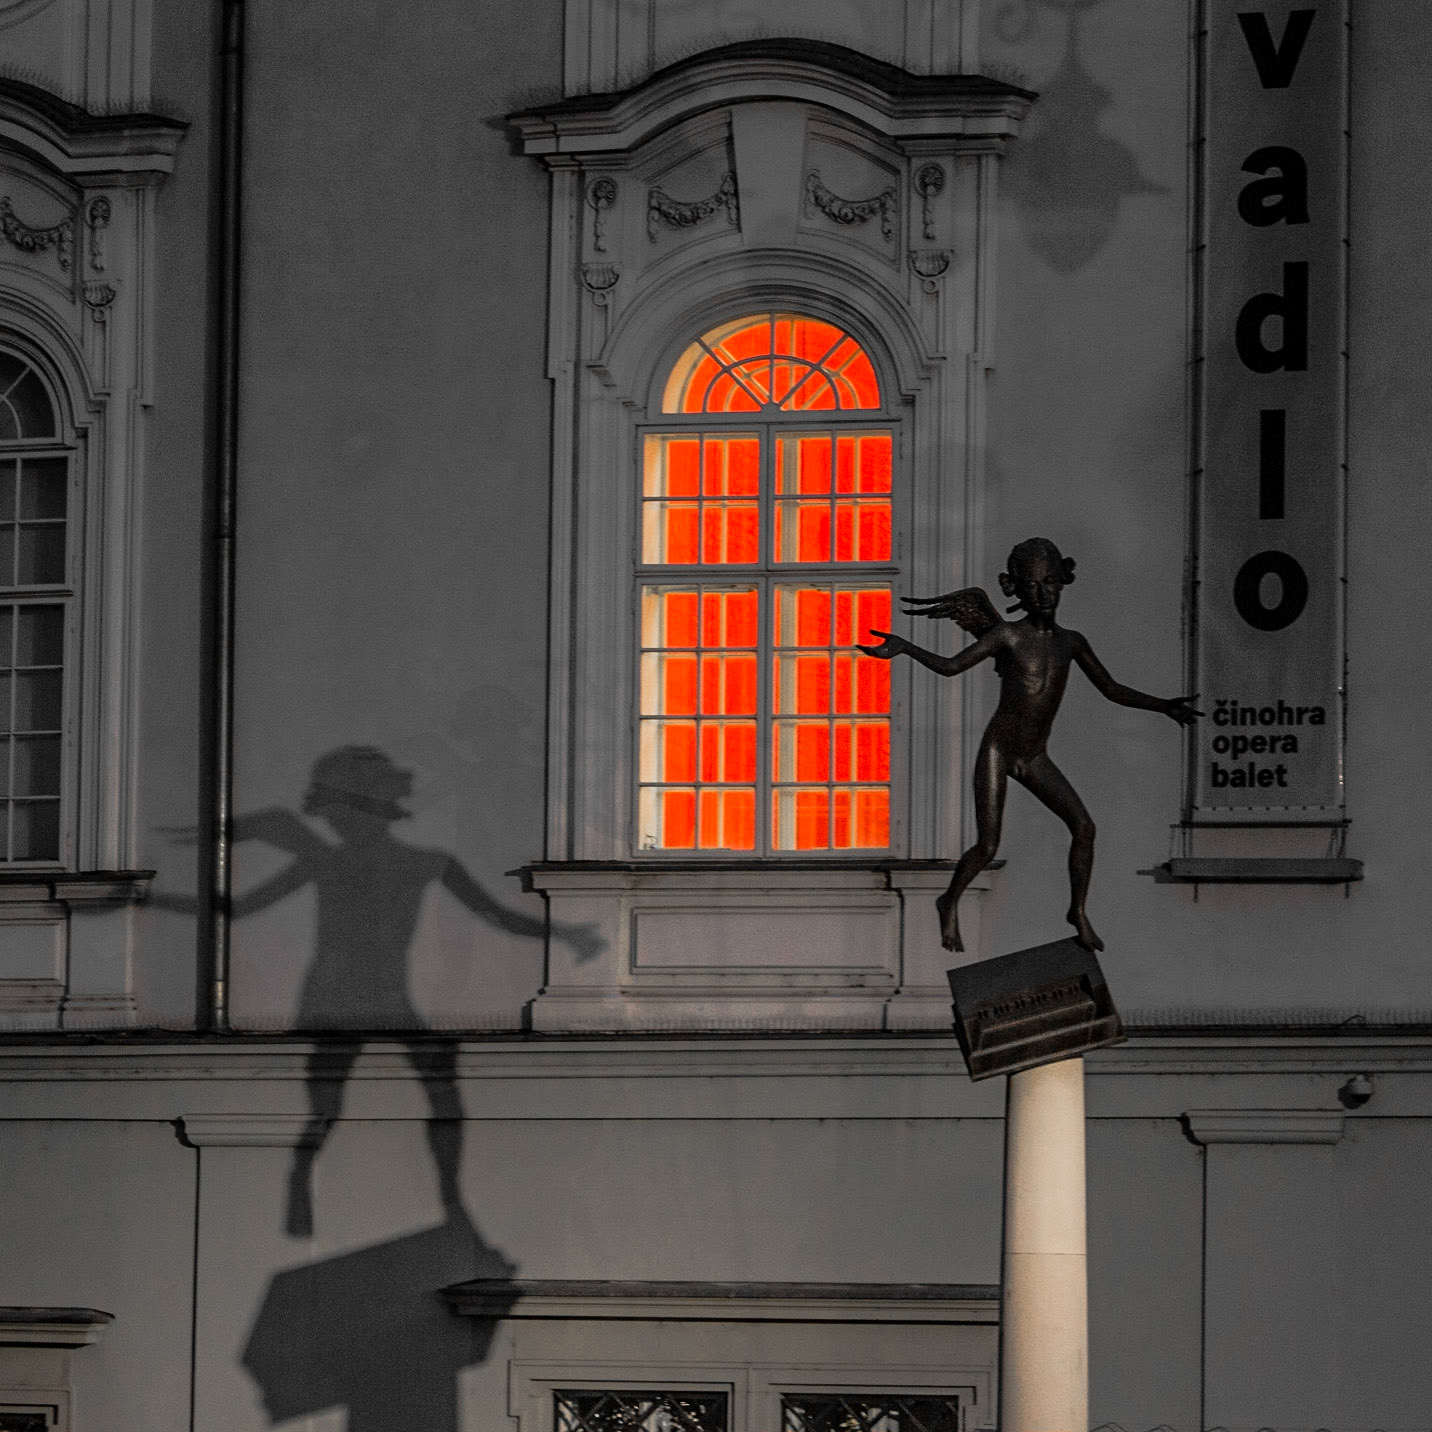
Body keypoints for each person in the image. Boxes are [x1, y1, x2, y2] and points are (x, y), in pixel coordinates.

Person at [858, 537, 1199, 953]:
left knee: (1084, 827)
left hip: (1034, 756)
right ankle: (949, 901)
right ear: (1016, 589)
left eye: (1050, 583)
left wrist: (1163, 705)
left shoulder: (1071, 642)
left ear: (1062, 582)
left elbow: (1111, 689)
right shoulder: (1008, 635)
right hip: (998, 751)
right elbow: (951, 667)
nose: (1043, 594)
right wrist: (905, 648)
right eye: (1033, 585)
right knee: (988, 845)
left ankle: (1077, 912)